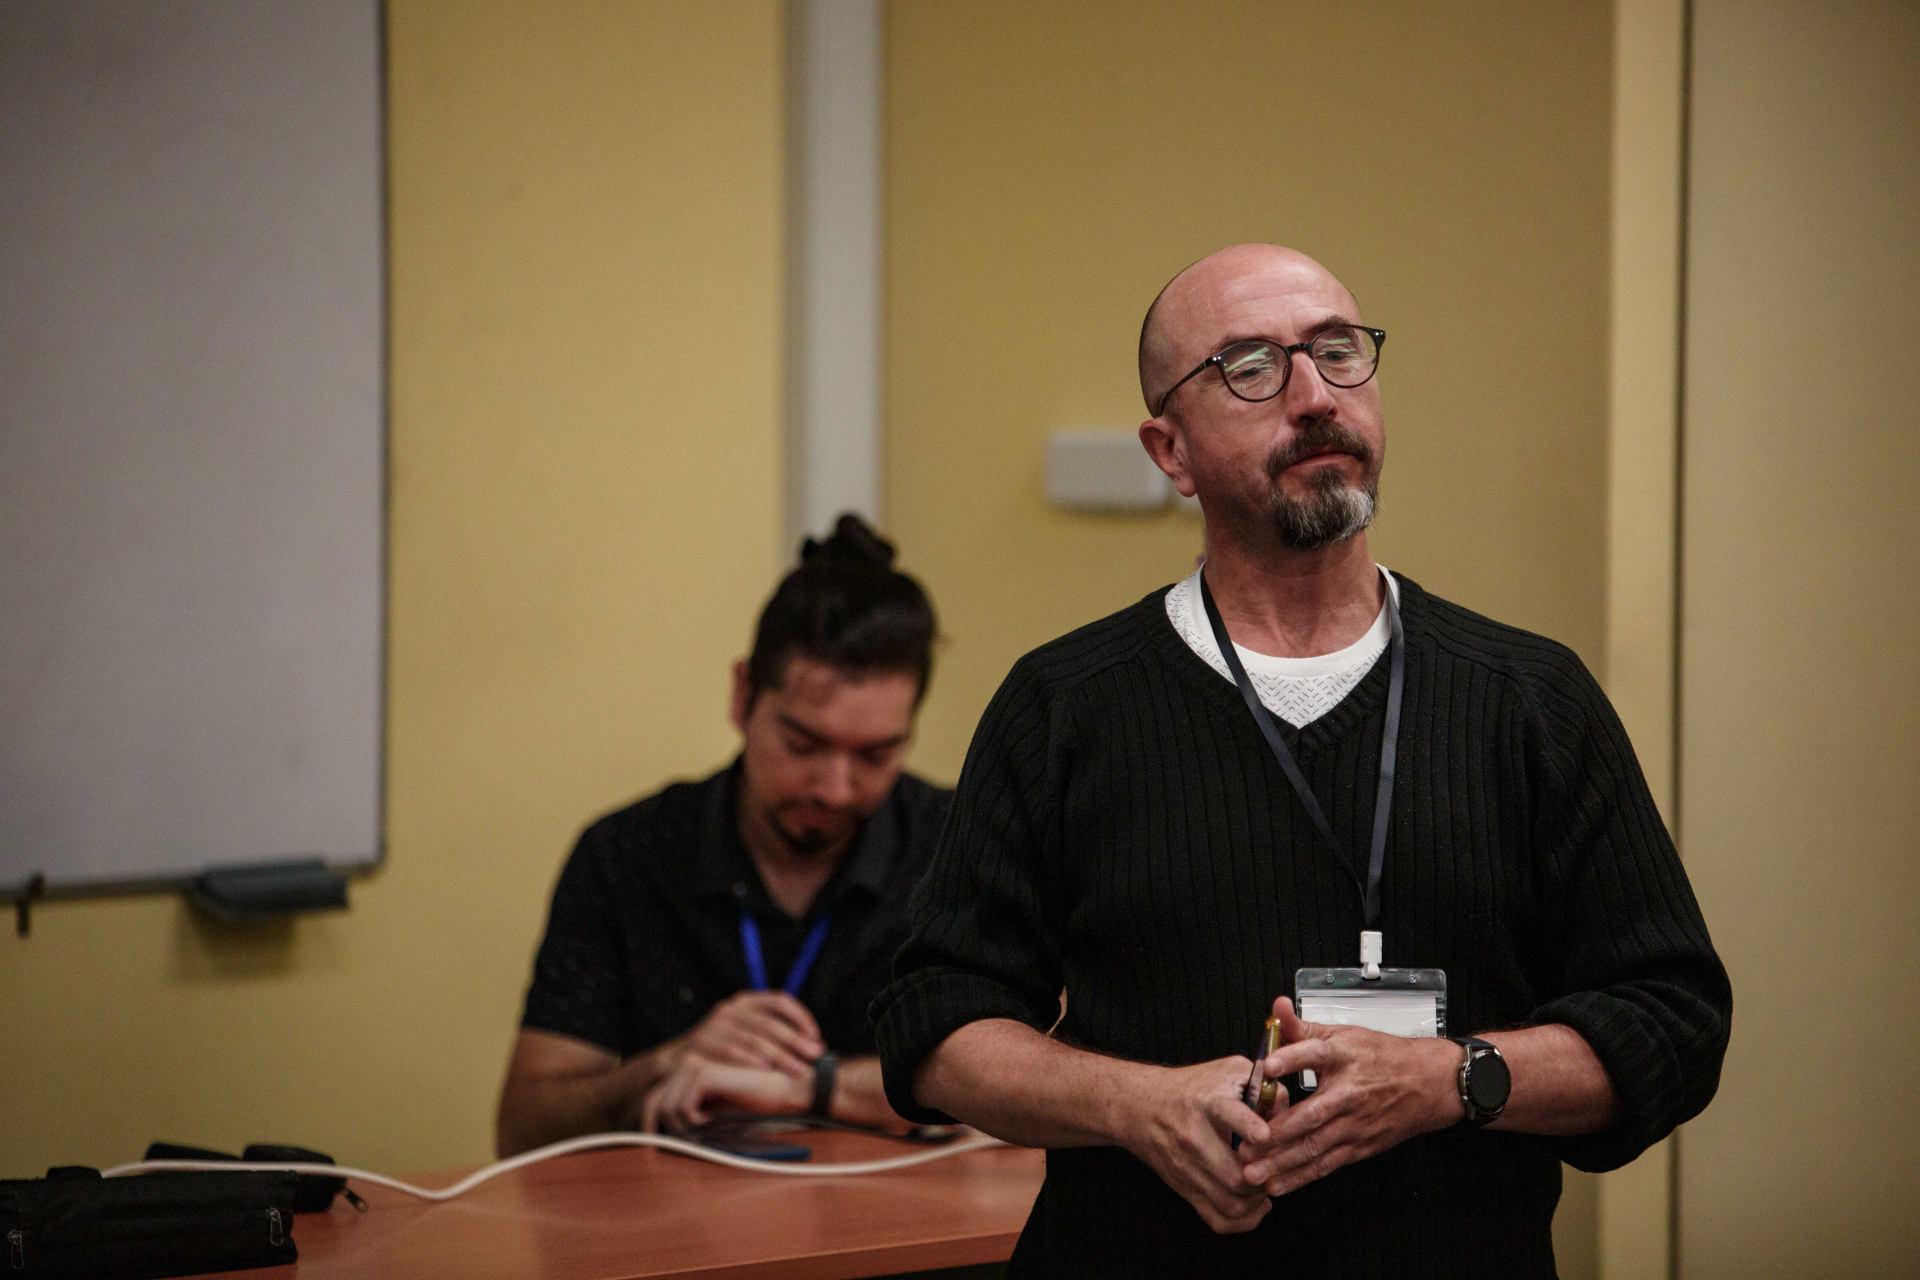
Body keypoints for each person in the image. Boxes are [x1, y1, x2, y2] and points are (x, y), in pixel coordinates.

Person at [871, 244, 1731, 1275]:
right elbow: (937, 1021)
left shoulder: (1529, 699)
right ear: (1171, 451)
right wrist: (1139, 1104)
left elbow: (1672, 1020)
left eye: (1339, 351)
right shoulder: (1065, 705)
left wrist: (1453, 1078)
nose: (1317, 395)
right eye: (1251, 367)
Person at [497, 514, 949, 1157]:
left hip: (909, 1216)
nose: (835, 789)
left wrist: (806, 1088)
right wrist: (669, 1062)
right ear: (742, 696)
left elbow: (1034, 1071)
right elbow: (522, 1128)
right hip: (677, 1217)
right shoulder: (627, 854)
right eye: (803, 743)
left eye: (876, 755)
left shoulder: (956, 849)